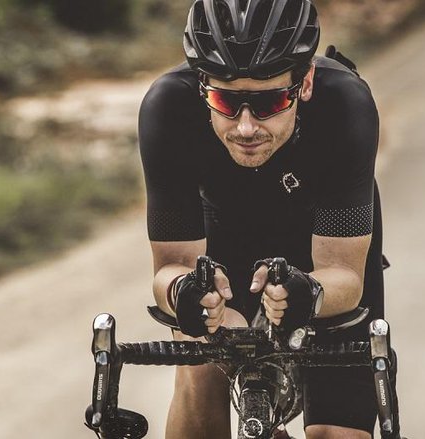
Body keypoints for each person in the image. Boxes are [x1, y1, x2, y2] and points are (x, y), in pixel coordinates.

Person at [138, 0, 397, 438]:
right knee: (200, 372)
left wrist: (309, 294)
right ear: (202, 86)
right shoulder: (168, 110)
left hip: (324, 263)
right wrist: (185, 293)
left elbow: (344, 275)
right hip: (224, 244)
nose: (245, 127)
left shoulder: (345, 105)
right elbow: (170, 267)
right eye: (224, 99)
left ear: (306, 81)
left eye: (270, 101)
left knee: (337, 434)